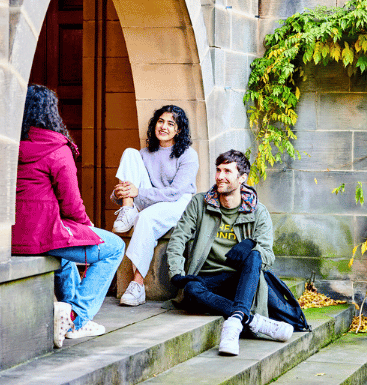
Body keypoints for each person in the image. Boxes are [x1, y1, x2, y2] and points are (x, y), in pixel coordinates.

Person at [13, 84, 125, 348]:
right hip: (42, 235)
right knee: (114, 247)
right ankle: (76, 317)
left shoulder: (8, 146)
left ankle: (75, 318)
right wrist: (86, 228)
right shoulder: (56, 149)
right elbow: (72, 204)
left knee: (63, 257)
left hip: (11, 237)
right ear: (52, 113)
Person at [166, 150, 295, 356]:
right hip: (207, 279)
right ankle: (250, 319)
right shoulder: (200, 203)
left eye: (227, 171)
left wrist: (251, 246)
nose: (220, 176)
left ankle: (233, 325)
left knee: (255, 256)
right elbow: (178, 238)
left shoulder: (258, 212)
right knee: (191, 289)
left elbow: (268, 257)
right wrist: (176, 272)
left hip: (241, 281)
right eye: (218, 170)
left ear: (242, 178)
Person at [111, 105, 199, 306]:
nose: (164, 127)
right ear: (154, 124)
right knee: (129, 152)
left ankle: (137, 285)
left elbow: (174, 192)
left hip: (177, 203)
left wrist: (138, 193)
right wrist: (119, 194)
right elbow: (131, 186)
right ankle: (127, 209)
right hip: (150, 199)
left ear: (178, 130)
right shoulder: (144, 153)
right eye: (161, 121)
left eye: (171, 123)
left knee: (146, 218)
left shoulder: (187, 155)